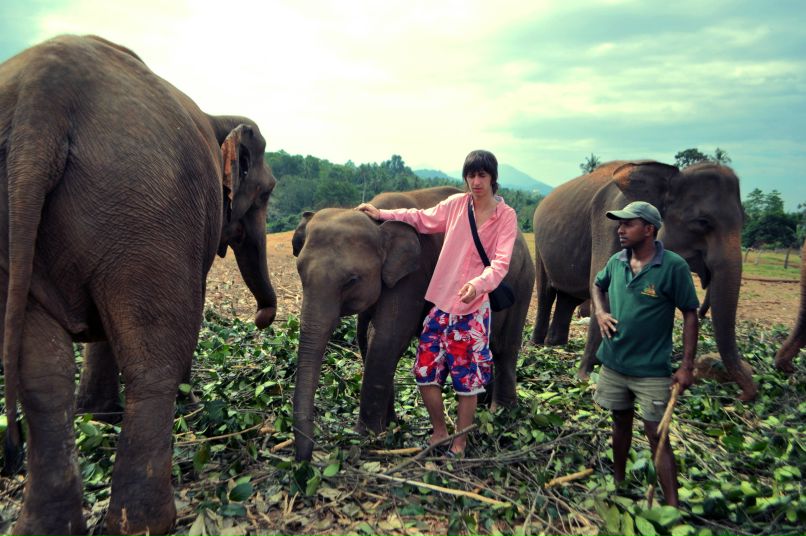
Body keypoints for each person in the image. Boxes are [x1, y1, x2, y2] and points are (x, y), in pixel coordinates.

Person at [356, 150, 517, 457]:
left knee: (466, 381)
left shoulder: (505, 217)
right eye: (471, 176)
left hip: (472, 310)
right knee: (424, 372)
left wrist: (478, 283)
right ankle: (439, 430)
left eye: (482, 175)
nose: (476, 181)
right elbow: (422, 218)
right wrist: (383, 214)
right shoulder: (457, 205)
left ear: (493, 178)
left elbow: (501, 262)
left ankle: (460, 440)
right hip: (441, 305)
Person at [591, 201, 698, 506]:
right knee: (619, 422)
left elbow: (690, 313)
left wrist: (686, 366)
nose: (620, 229)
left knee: (656, 433)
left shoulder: (673, 267)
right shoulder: (616, 261)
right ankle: (619, 482)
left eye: (628, 224)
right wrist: (600, 312)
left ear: (649, 229)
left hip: (651, 370)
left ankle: (673, 505)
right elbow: (598, 286)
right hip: (614, 363)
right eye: (619, 224)